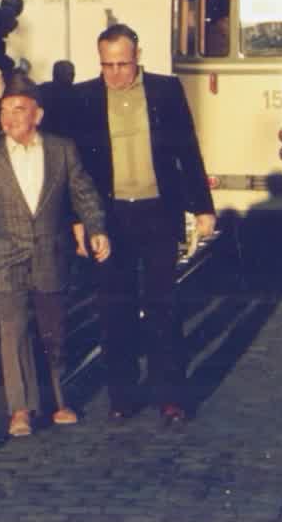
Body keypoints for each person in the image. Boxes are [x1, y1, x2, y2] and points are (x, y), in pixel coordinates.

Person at [64, 24, 217, 424]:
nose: (115, 74)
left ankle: (171, 396)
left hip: (157, 212)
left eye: (122, 64)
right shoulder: (83, 98)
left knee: (163, 306)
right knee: (115, 310)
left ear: (138, 57)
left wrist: (203, 207)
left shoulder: (165, 91)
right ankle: (124, 395)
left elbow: (188, 150)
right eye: (107, 65)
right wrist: (77, 221)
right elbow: (74, 169)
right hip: (108, 217)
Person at [0, 74, 112, 436]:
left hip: (49, 253)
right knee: (13, 330)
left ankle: (60, 400)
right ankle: (21, 409)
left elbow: (84, 194)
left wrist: (96, 228)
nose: (9, 118)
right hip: (3, 256)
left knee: (52, 332)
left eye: (18, 110)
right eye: (4, 111)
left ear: (37, 115)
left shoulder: (62, 151)